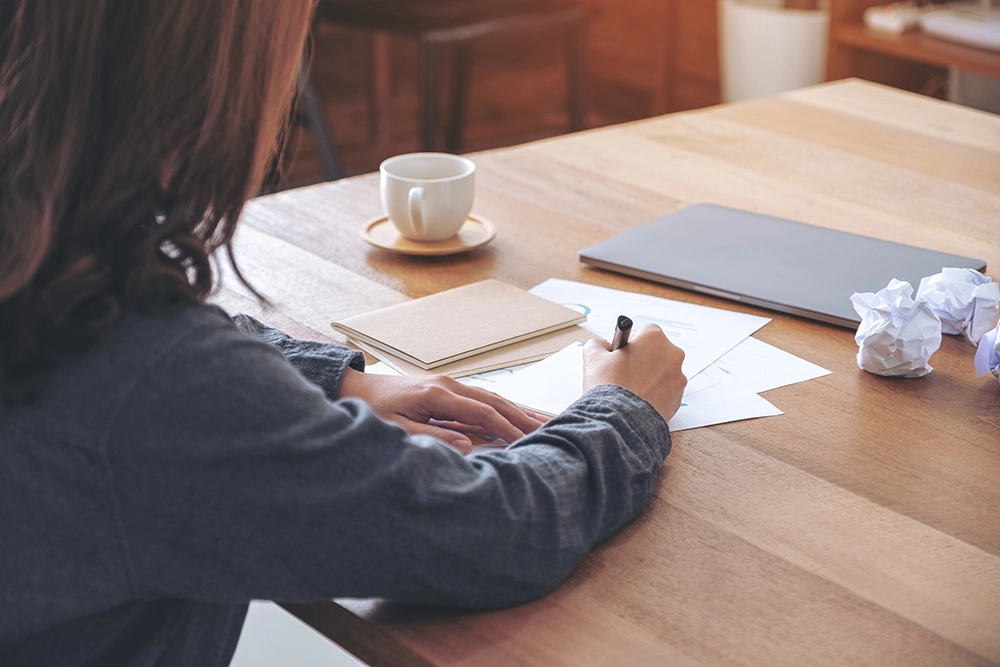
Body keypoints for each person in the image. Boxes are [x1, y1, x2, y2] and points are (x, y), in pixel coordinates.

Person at [0, 1, 687, 665]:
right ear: (209, 70)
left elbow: (123, 330)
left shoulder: (38, 270)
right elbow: (495, 529)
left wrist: (337, 380)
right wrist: (626, 408)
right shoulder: (150, 393)